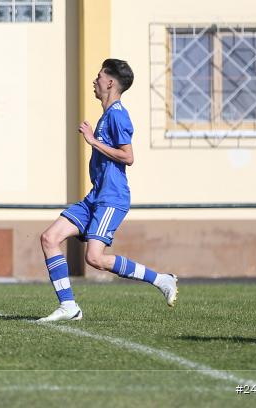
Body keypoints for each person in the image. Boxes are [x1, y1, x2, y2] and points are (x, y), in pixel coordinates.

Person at [37, 58, 178, 322]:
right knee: (49, 238)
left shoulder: (117, 114)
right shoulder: (106, 115)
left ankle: (161, 279)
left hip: (112, 198)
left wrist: (92, 141)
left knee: (94, 258)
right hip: (95, 196)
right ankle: (68, 307)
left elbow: (128, 157)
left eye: (100, 76)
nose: (95, 80)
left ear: (110, 82)